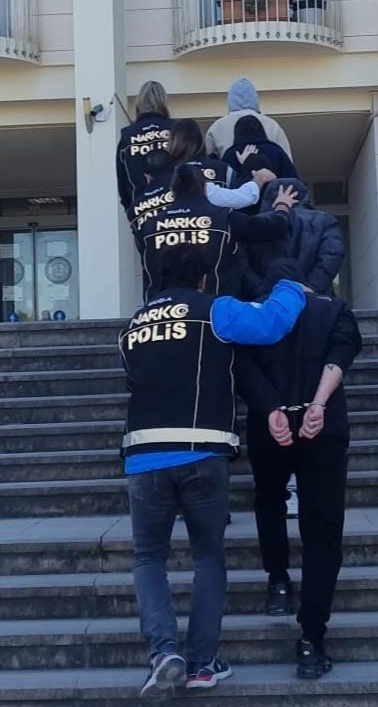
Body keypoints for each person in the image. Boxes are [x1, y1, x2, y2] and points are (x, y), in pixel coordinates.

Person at [120, 247, 308, 698]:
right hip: (202, 450)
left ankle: (163, 652)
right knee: (207, 557)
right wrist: (290, 286)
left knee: (149, 558)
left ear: (155, 280)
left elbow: (132, 380)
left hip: (143, 454)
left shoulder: (133, 327)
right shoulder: (215, 310)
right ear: (204, 279)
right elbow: (271, 324)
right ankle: (202, 662)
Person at [235, 259, 362, 680]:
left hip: (268, 425)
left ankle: (278, 582)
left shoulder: (257, 314)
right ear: (305, 285)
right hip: (323, 427)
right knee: (322, 528)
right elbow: (342, 353)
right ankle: (311, 639)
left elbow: (242, 367)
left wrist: (272, 409)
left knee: (269, 501)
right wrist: (318, 405)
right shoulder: (335, 309)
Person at [134, 164, 297, 301]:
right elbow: (273, 228)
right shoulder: (223, 217)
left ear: (172, 191)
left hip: (161, 313)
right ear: (205, 188)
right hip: (215, 310)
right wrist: (282, 206)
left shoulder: (150, 226)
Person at [241, 178, 345, 300]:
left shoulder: (254, 223)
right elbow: (332, 255)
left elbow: (241, 263)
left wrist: (262, 291)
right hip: (315, 300)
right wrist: (312, 289)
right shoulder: (324, 221)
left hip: (264, 301)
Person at [117, 81, 174, 215]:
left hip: (143, 209)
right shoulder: (177, 129)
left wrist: (130, 209)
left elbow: (122, 181)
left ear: (140, 103)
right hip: (177, 208)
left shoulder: (127, 135)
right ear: (163, 101)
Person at [205, 78, 293, 161]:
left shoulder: (217, 126)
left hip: (230, 170)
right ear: (255, 99)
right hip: (269, 171)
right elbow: (286, 158)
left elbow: (207, 160)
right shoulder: (271, 125)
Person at [221, 115, 299, 182]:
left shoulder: (231, 153)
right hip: (276, 194)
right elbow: (291, 178)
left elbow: (224, 183)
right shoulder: (276, 150)